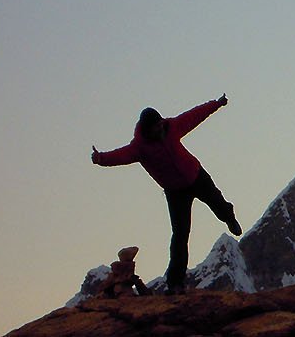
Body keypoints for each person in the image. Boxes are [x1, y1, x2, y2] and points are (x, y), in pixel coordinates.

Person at [91, 95, 242, 295]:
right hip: (175, 192)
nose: (160, 129)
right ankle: (175, 283)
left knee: (218, 204)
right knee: (180, 235)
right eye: (156, 127)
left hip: (196, 176)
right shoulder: (139, 148)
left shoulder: (171, 127)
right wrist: (101, 158)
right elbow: (120, 155)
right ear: (147, 130)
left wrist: (216, 104)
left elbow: (194, 116)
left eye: (160, 124)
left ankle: (229, 218)